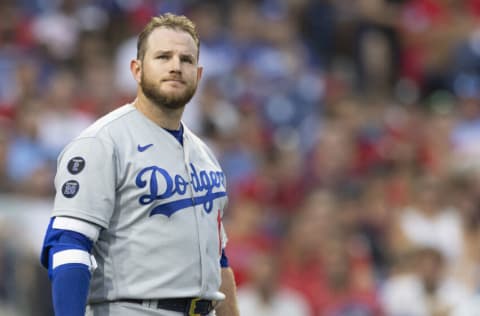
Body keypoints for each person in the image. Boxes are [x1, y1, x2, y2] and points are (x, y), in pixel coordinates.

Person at [39, 13, 240, 316]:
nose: (176, 66)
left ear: (198, 75)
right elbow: (68, 245)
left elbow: (219, 261)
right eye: (163, 57)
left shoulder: (205, 156)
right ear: (136, 69)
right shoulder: (103, 142)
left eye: (186, 59)